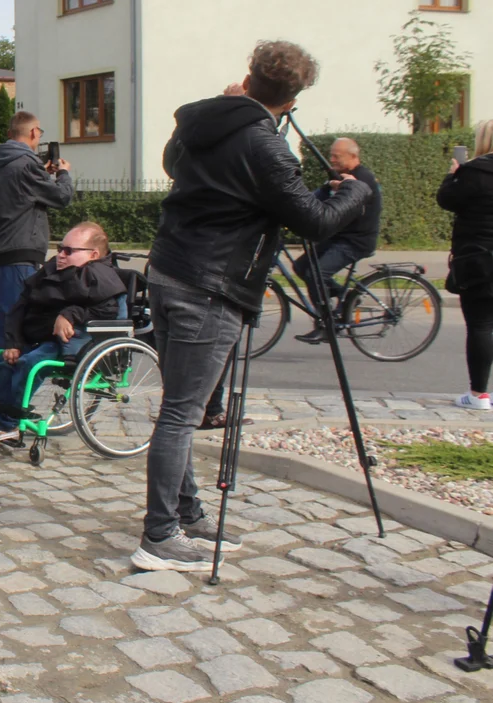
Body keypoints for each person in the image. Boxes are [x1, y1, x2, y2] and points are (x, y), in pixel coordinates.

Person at [132, 40, 372, 573]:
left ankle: (186, 514)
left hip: (170, 270)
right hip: (211, 285)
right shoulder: (266, 147)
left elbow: (174, 163)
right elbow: (314, 220)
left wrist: (232, 106)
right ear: (294, 97)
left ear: (249, 76)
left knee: (179, 404)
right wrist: (355, 192)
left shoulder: (205, 123)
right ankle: (159, 536)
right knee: (181, 413)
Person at [0, 221, 125, 446]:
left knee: (30, 363)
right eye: (59, 248)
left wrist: (69, 314)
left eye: (69, 251)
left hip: (75, 343)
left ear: (93, 254)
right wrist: (14, 342)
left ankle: (6, 423)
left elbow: (108, 310)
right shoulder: (53, 269)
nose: (61, 255)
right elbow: (20, 307)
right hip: (44, 337)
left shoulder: (99, 276)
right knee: (4, 362)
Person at [0, 111, 74, 350]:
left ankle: (3, 386)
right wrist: (64, 174)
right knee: (15, 333)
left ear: (9, 134)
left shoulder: (1, 164)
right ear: (34, 132)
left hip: (2, 251)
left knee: (5, 328)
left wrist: (43, 175)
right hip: (19, 252)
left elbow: (22, 193)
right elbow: (62, 197)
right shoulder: (27, 165)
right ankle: (10, 387)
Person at [292, 137, 382, 343]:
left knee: (316, 274)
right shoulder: (338, 176)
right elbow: (316, 198)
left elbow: (350, 210)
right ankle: (347, 296)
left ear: (353, 156)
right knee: (301, 266)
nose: (331, 159)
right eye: (331, 154)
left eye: (336, 156)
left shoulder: (362, 179)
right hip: (338, 237)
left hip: (356, 240)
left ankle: (328, 324)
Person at [437, 120, 493, 410]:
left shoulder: (473, 172)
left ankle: (479, 394)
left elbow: (446, 200)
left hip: (478, 258)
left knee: (481, 325)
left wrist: (453, 175)